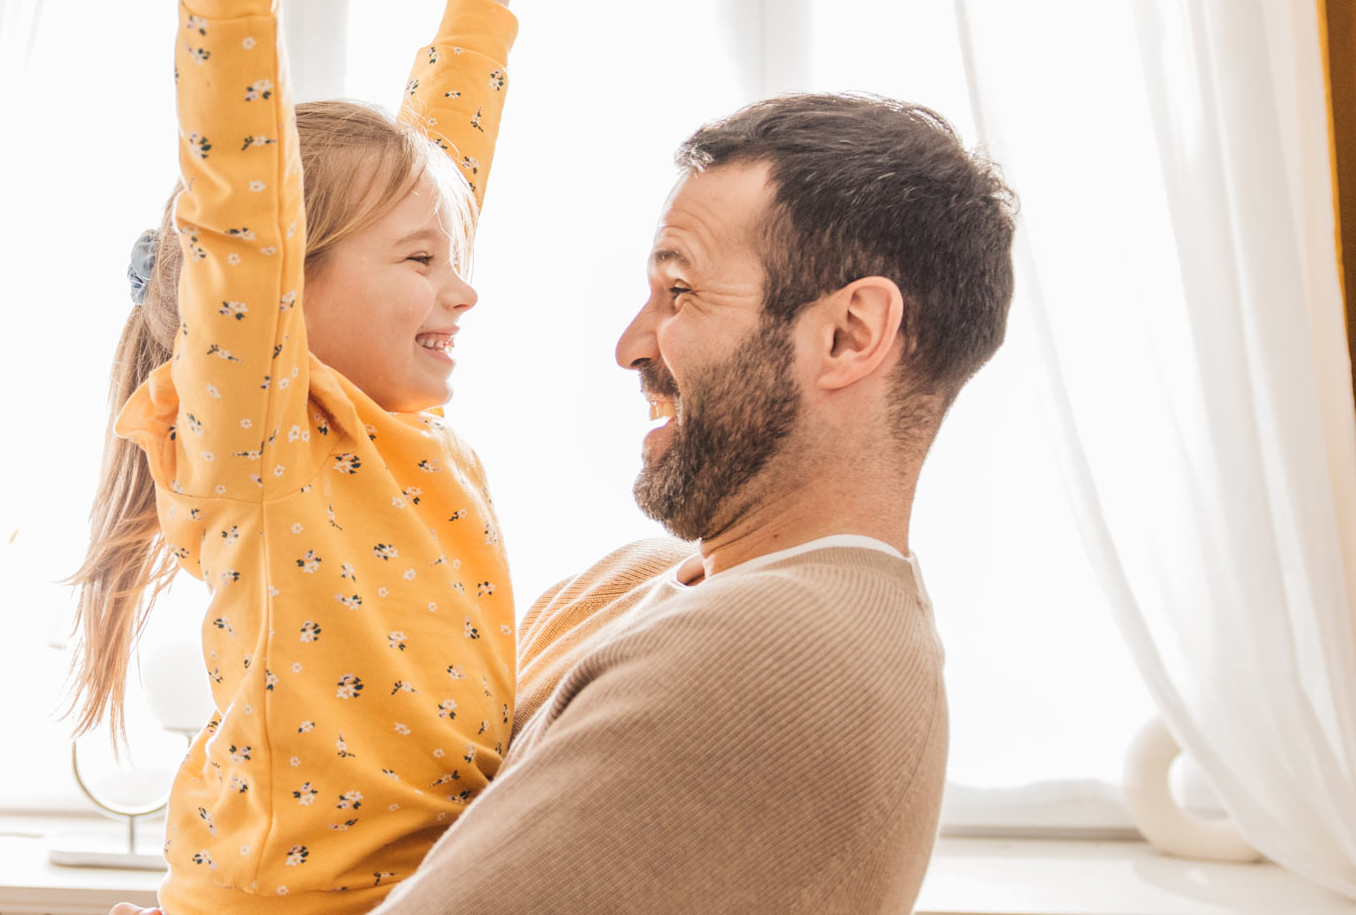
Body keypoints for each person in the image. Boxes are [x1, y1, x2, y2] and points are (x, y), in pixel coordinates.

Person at [117, 94, 1017, 912]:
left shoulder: (775, 653)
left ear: (848, 335)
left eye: (680, 289)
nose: (631, 345)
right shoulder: (650, 585)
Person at [65, 0, 531, 914]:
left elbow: (441, 176)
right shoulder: (261, 441)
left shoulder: (405, 429)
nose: (462, 287)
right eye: (423, 262)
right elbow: (238, 194)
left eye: (452, 257)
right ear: (285, 287)